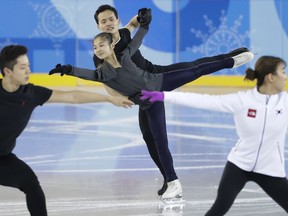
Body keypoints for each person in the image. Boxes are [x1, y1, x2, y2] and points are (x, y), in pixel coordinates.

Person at [48, 12, 254, 201]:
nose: (97, 49)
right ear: (98, 26)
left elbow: (137, 34)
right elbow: (89, 75)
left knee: (194, 70)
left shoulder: (125, 52)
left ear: (111, 44)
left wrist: (145, 22)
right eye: (95, 47)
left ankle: (231, 61)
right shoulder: (102, 70)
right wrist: (68, 69)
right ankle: (170, 180)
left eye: (101, 46)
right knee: (152, 139)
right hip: (148, 99)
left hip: (159, 81)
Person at [140, 55, 288, 214]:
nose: (285, 77)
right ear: (271, 77)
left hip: (270, 169)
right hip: (239, 166)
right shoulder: (244, 100)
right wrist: (165, 96)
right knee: (219, 209)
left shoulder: (285, 102)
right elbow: (204, 100)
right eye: (283, 72)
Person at [0, 44, 134, 216]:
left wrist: (109, 98)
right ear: (8, 71)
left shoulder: (31, 93)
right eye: (23, 67)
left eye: (29, 66)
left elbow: (72, 95)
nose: (28, 71)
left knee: (31, 183)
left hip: (3, 158)